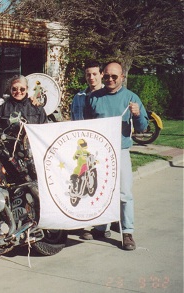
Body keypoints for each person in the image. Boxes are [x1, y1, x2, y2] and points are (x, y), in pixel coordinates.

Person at [85, 61, 148, 251]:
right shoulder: (93, 97)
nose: (110, 79)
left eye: (114, 76)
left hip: (120, 151)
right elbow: (87, 126)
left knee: (124, 194)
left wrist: (137, 115)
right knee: (99, 190)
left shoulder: (131, 97)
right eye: (107, 76)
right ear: (103, 75)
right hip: (98, 153)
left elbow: (143, 128)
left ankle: (127, 232)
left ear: (122, 77)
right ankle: (100, 227)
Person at [70, 61, 111, 240]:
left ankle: (103, 225)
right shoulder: (78, 97)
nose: (91, 78)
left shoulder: (108, 95)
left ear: (101, 74)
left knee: (102, 183)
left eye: (95, 74)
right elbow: (73, 120)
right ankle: (85, 225)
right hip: (84, 147)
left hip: (102, 147)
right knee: (84, 183)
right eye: (88, 74)